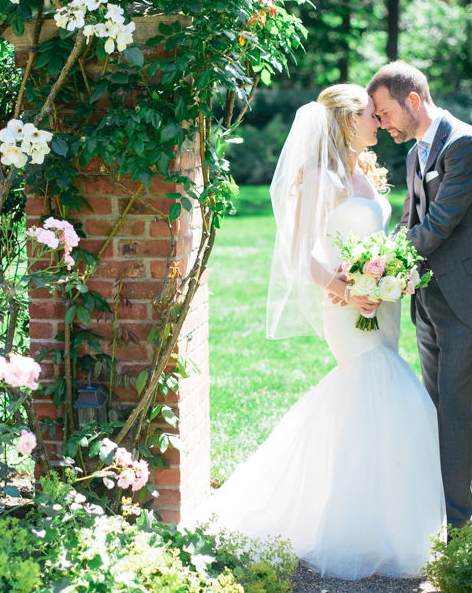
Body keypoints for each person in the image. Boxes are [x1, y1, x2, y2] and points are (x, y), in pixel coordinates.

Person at [187, 84, 445, 580]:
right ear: (348, 122)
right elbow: (297, 256)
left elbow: (378, 237)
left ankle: (374, 525)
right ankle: (356, 531)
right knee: (403, 402)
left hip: (379, 302)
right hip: (349, 307)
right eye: (371, 116)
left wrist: (391, 272)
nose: (379, 123)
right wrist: (347, 290)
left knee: (372, 407)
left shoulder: (363, 172)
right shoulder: (321, 179)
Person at [367, 62, 472, 532]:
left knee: (455, 410)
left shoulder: (465, 146)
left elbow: (436, 226)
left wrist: (379, 267)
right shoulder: (417, 154)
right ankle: (436, 512)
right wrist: (371, 262)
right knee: (434, 406)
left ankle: (457, 525)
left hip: (470, 300)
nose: (380, 123)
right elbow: (410, 222)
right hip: (430, 300)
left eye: (383, 112)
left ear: (412, 101)